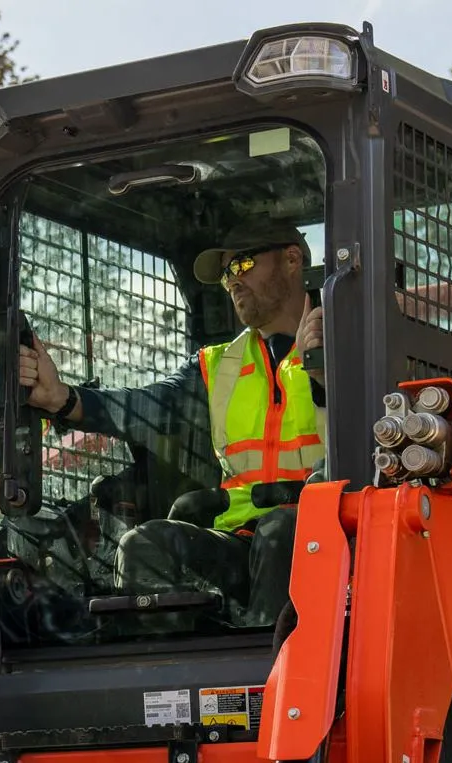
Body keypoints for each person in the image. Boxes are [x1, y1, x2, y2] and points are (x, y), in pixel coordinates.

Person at [19, 218, 326, 627]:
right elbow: (141, 406)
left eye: (241, 266)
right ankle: (183, 675)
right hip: (241, 538)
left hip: (329, 538)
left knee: (281, 531)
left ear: (291, 260)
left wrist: (325, 371)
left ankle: (274, 674)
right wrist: (62, 398)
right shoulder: (219, 365)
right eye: (224, 274)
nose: (231, 281)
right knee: (145, 544)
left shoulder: (351, 340)